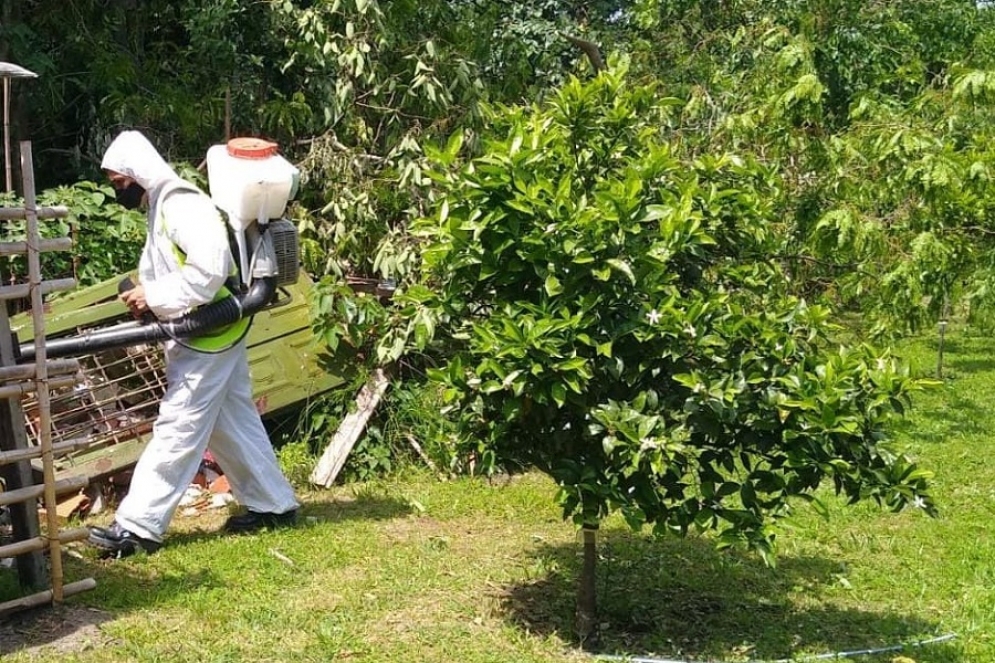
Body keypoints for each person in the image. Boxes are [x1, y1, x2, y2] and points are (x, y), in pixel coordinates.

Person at [87, 130, 299, 559]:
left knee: (178, 426)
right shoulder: (162, 205)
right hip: (205, 333)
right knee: (231, 422)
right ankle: (274, 506)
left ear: (136, 175)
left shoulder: (182, 203)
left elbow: (211, 269)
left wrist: (156, 296)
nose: (117, 192)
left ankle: (138, 528)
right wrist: (148, 290)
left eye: (118, 183)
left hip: (211, 334)